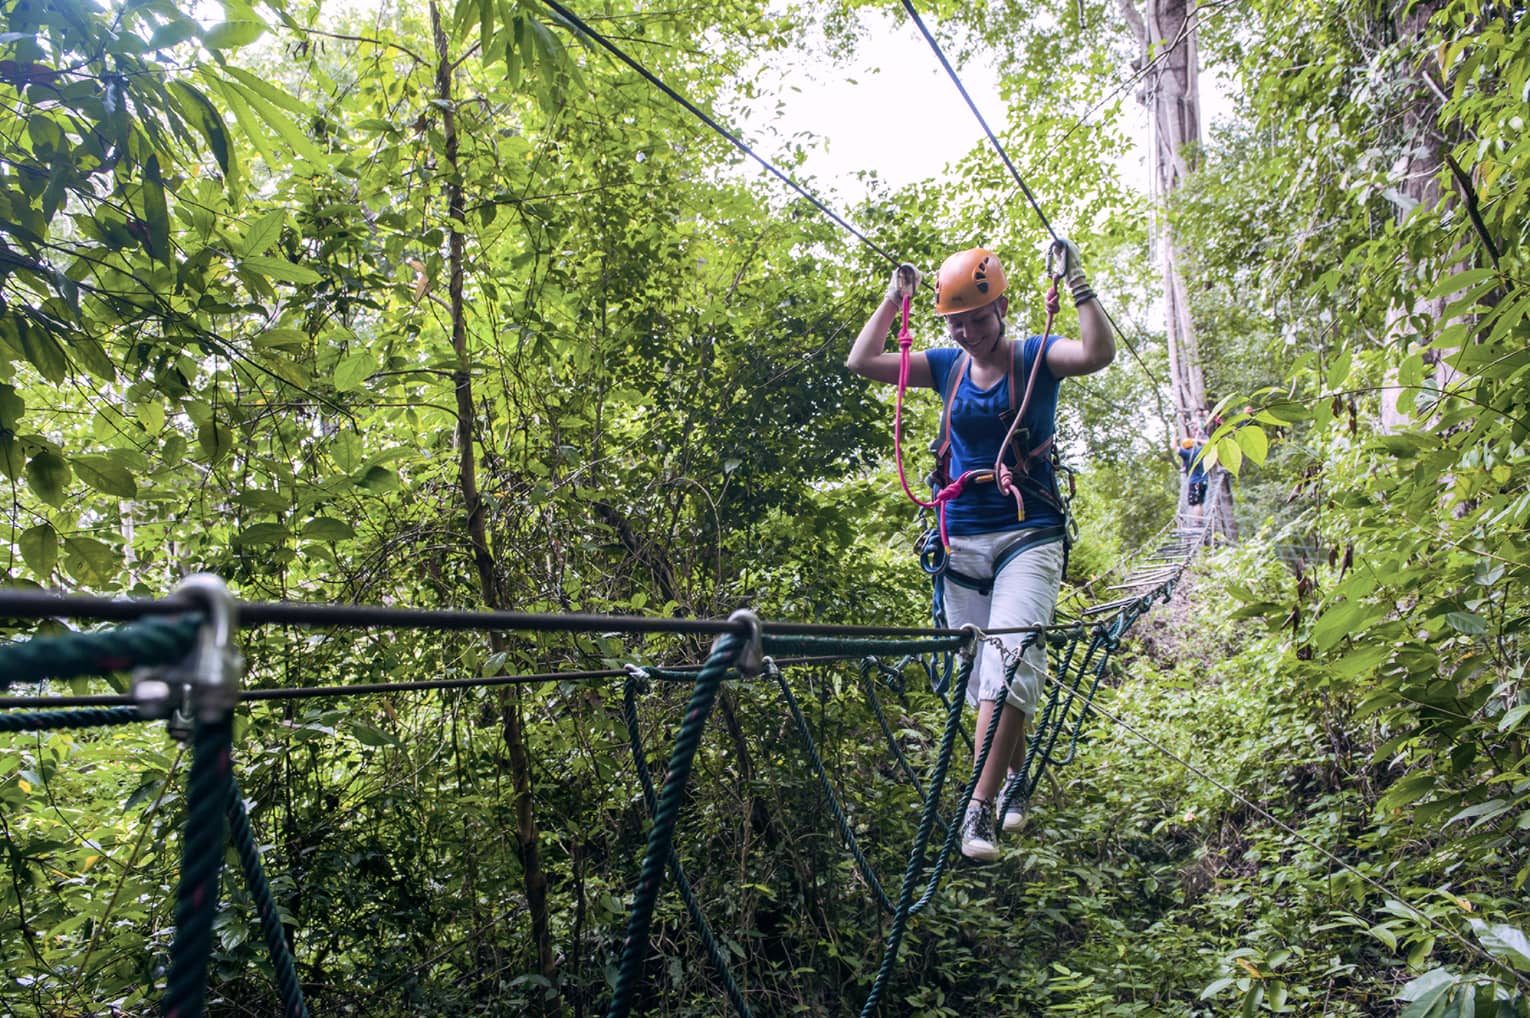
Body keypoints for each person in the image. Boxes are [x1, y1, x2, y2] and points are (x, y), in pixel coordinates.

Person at [845, 242, 1115, 861]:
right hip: (959, 534)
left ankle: (978, 808)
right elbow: (863, 360)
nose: (965, 332)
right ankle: (1014, 776)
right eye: (954, 322)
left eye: (976, 318)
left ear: (1003, 310)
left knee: (1010, 658)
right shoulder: (946, 366)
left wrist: (1076, 284)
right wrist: (896, 298)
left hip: (1029, 532)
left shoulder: (1036, 356)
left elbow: (1097, 352)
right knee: (982, 673)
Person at [1178, 435, 1208, 525]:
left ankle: (1197, 523)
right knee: (1201, 502)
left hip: (1195, 482)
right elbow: (1210, 443)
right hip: (1205, 480)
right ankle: (1200, 521)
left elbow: (1174, 447)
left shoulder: (1186, 453)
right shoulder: (1200, 451)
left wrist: (1174, 435)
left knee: (1196, 503)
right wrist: (1197, 440)